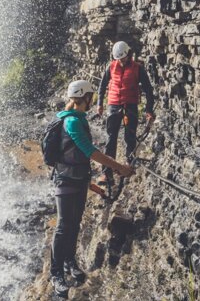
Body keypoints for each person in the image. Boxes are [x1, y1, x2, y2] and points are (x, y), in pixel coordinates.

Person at [50, 79, 134, 298]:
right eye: (92, 98)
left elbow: (79, 156)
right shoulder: (73, 122)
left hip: (78, 180)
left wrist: (92, 185)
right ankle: (56, 273)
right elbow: (91, 152)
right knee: (63, 227)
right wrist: (119, 168)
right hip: (66, 181)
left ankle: (70, 262)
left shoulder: (78, 119)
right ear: (85, 98)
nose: (93, 102)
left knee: (74, 223)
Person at [95, 41, 155, 190]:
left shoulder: (138, 69)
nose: (121, 61)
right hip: (113, 105)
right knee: (111, 137)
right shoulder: (111, 66)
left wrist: (149, 109)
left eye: (123, 58)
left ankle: (129, 165)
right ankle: (107, 172)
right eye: (119, 59)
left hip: (130, 105)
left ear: (129, 54)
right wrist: (100, 104)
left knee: (130, 136)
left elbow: (148, 89)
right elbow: (102, 85)